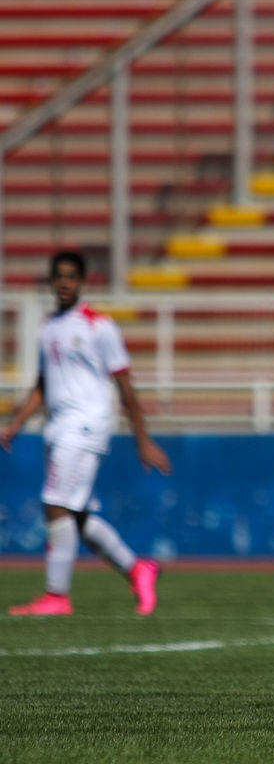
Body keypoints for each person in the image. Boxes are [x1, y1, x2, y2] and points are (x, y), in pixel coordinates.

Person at [1, 251, 172, 616]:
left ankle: (56, 595)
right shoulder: (48, 327)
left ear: (82, 282)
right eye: (58, 276)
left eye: (70, 276)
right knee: (75, 515)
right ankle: (138, 569)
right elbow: (43, 385)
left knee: (55, 505)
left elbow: (125, 383)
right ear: (51, 281)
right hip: (58, 426)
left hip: (86, 425)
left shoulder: (99, 326)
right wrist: (15, 425)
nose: (64, 282)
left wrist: (142, 438)